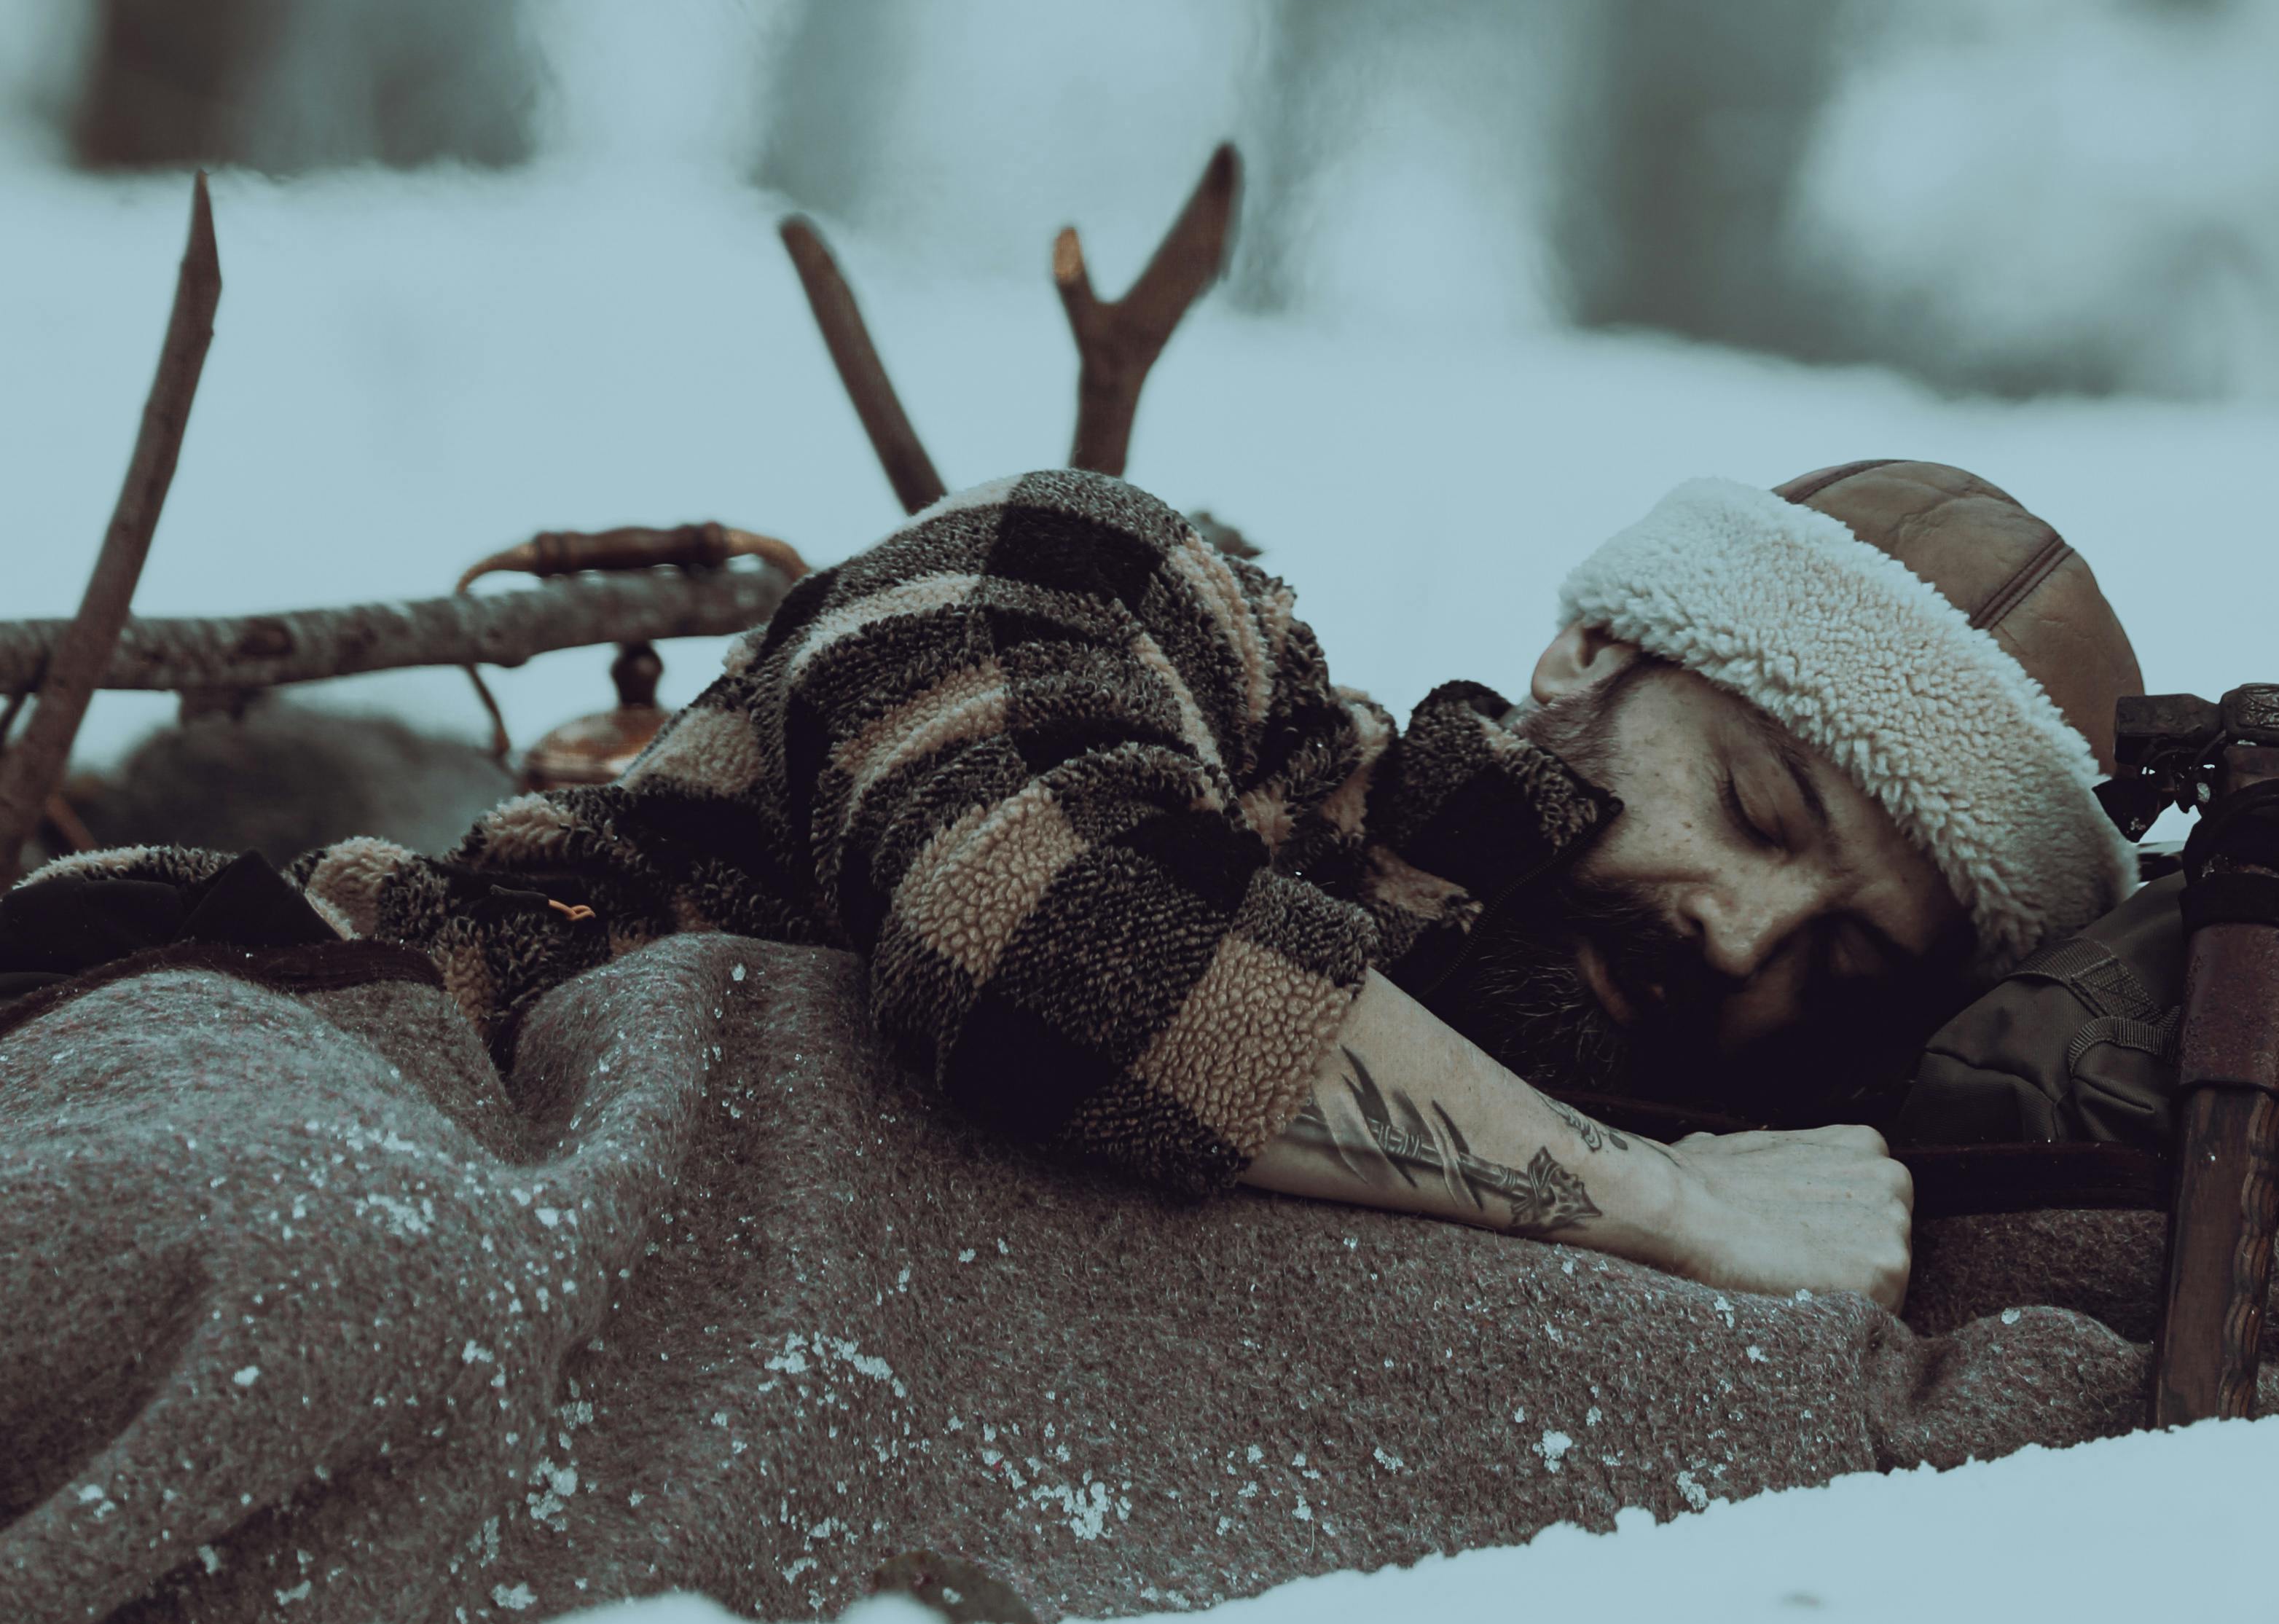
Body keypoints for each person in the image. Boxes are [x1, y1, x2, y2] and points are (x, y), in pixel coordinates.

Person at [302, 455, 2145, 1317]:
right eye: (1749, 805)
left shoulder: (1664, 1092)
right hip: (307, 1044)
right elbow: (1044, 936)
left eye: (1843, 959)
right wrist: (1668, 1204)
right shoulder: (1120, 590)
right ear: (1591, 652)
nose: (1741, 936)